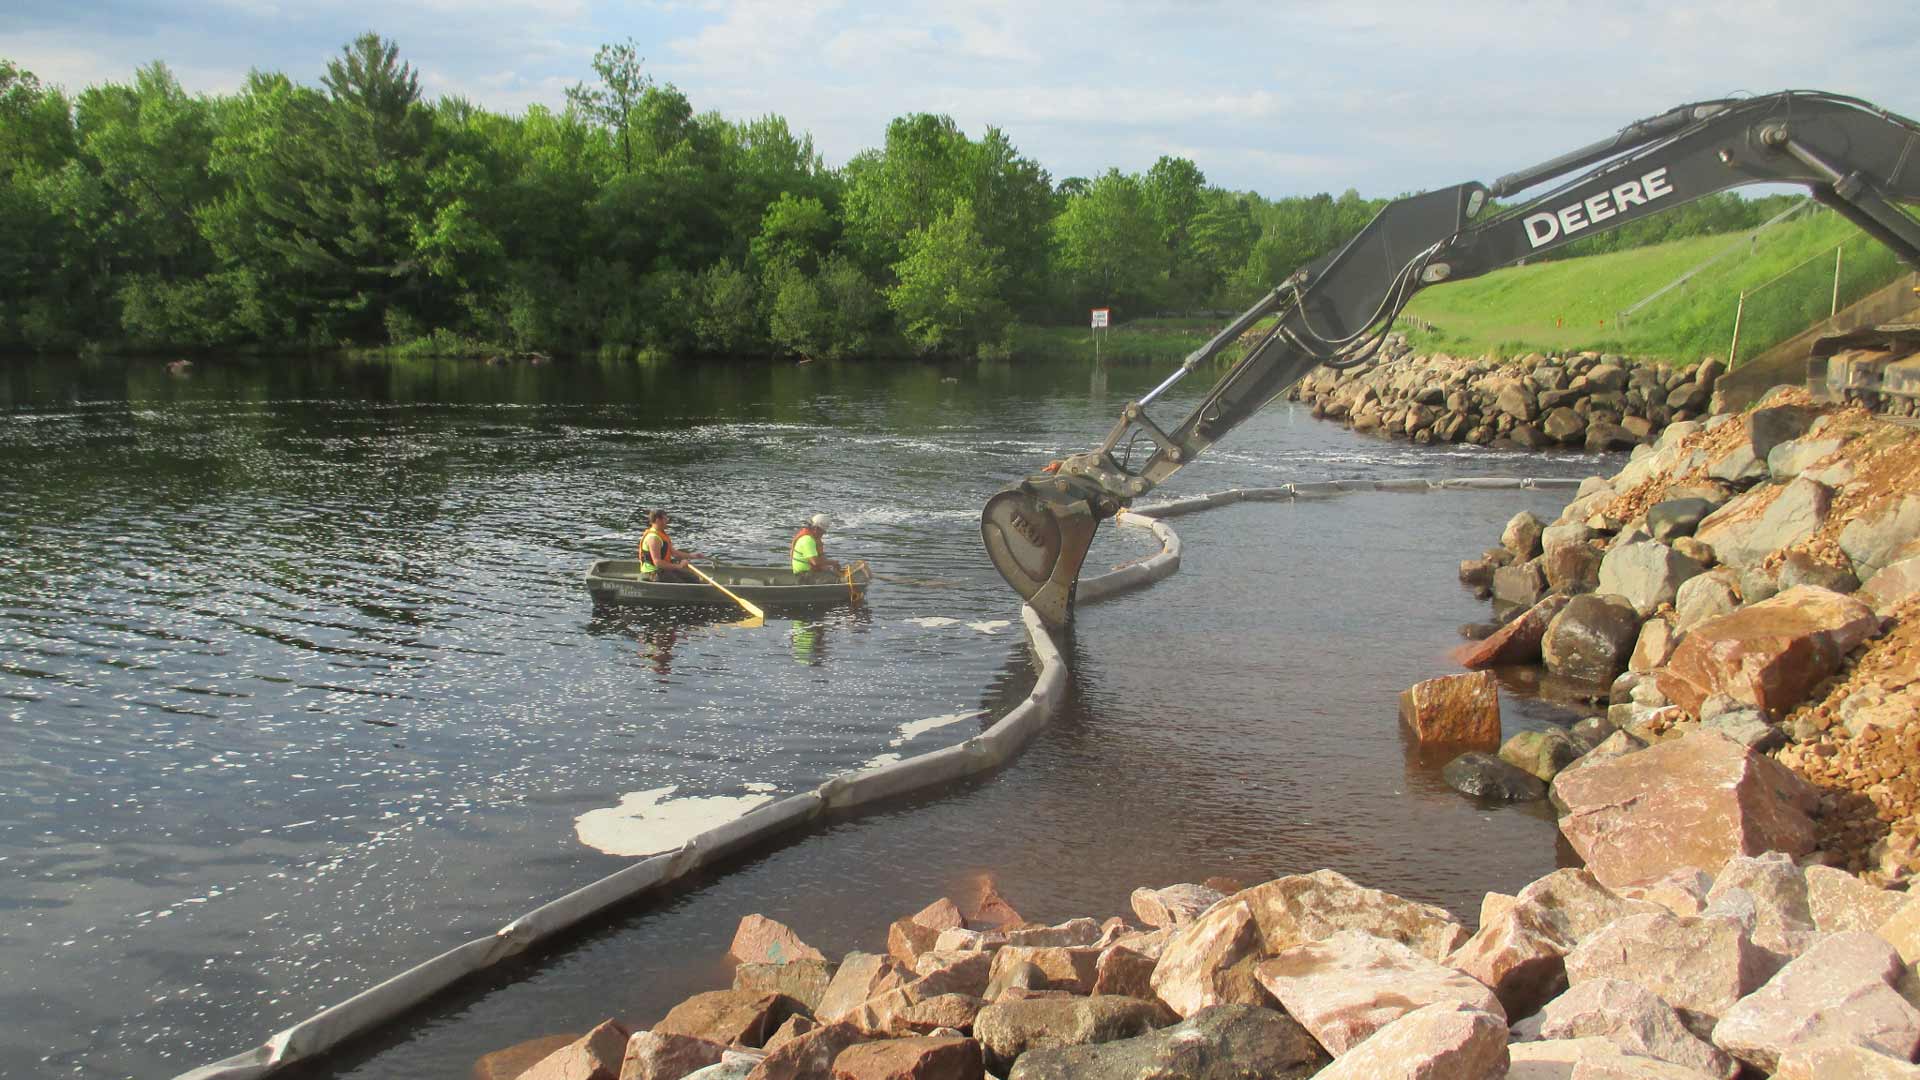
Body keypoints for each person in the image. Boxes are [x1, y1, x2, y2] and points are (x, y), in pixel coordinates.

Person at [638, 510, 700, 582]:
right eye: (665, 519)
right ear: (658, 520)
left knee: (693, 579)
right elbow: (658, 563)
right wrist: (679, 566)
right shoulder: (653, 538)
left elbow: (673, 552)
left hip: (663, 569)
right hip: (653, 573)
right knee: (681, 584)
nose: (667, 521)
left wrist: (692, 556)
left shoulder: (661, 534)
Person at [790, 513, 841, 578]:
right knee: (837, 580)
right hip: (804, 575)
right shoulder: (808, 540)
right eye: (823, 532)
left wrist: (829, 566)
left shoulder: (812, 539)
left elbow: (820, 558)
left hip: (808, 572)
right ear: (816, 529)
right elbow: (815, 562)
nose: (823, 534)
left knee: (833, 574)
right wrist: (833, 563)